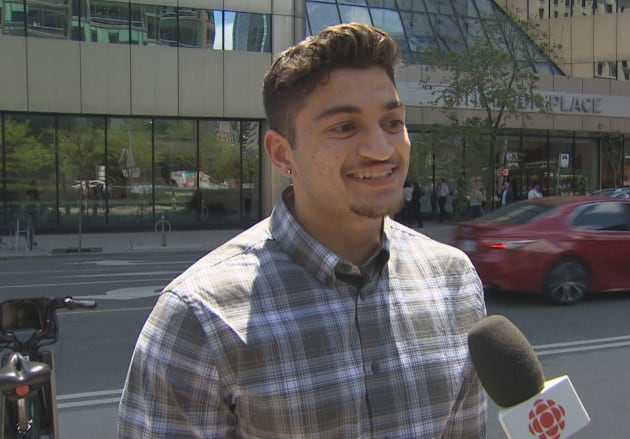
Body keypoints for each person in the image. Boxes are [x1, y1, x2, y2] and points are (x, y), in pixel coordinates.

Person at [117, 23, 487, 439]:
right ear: (281, 153)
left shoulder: (453, 281)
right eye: (344, 127)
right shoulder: (200, 316)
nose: (382, 149)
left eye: (393, 121)